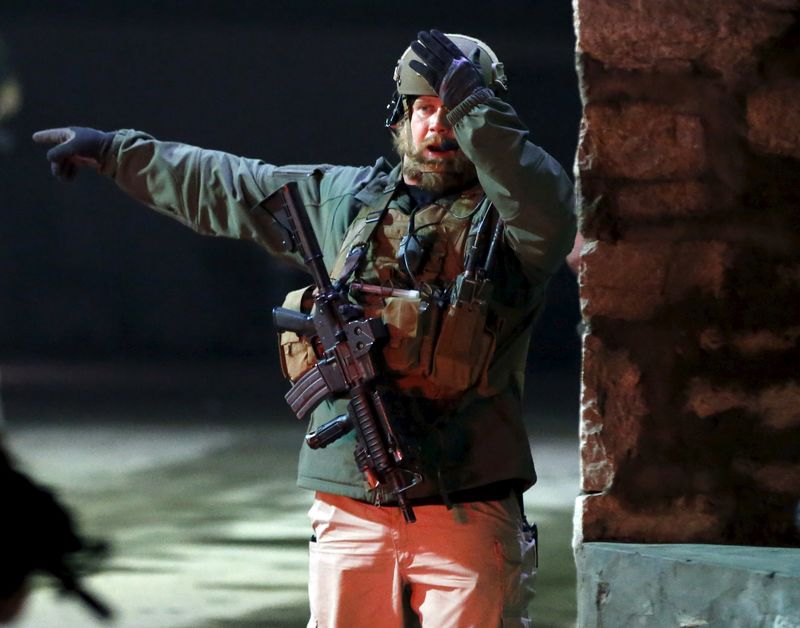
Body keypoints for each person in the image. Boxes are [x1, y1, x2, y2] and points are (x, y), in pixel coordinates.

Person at [34, 30, 575, 627]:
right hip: (350, 503)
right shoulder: (352, 202)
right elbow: (233, 185)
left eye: (455, 112)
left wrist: (476, 109)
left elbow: (543, 200)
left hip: (466, 510)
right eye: (425, 107)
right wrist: (116, 152)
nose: (439, 125)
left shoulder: (515, 224)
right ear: (401, 116)